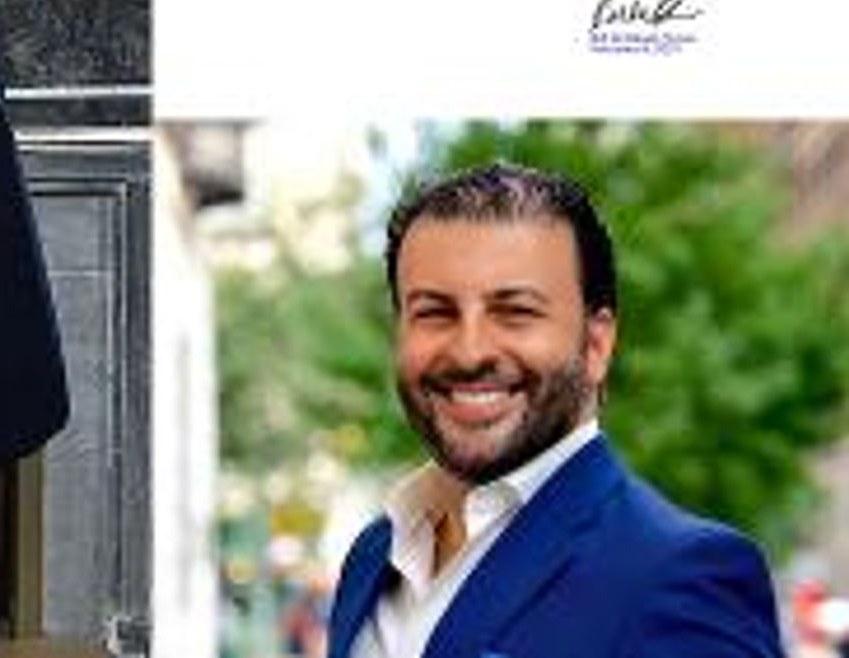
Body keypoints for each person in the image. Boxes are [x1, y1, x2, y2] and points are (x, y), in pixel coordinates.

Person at [327, 161, 784, 658]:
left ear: (596, 345)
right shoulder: (372, 558)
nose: (469, 351)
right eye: (434, 312)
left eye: (516, 312)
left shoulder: (680, 575)